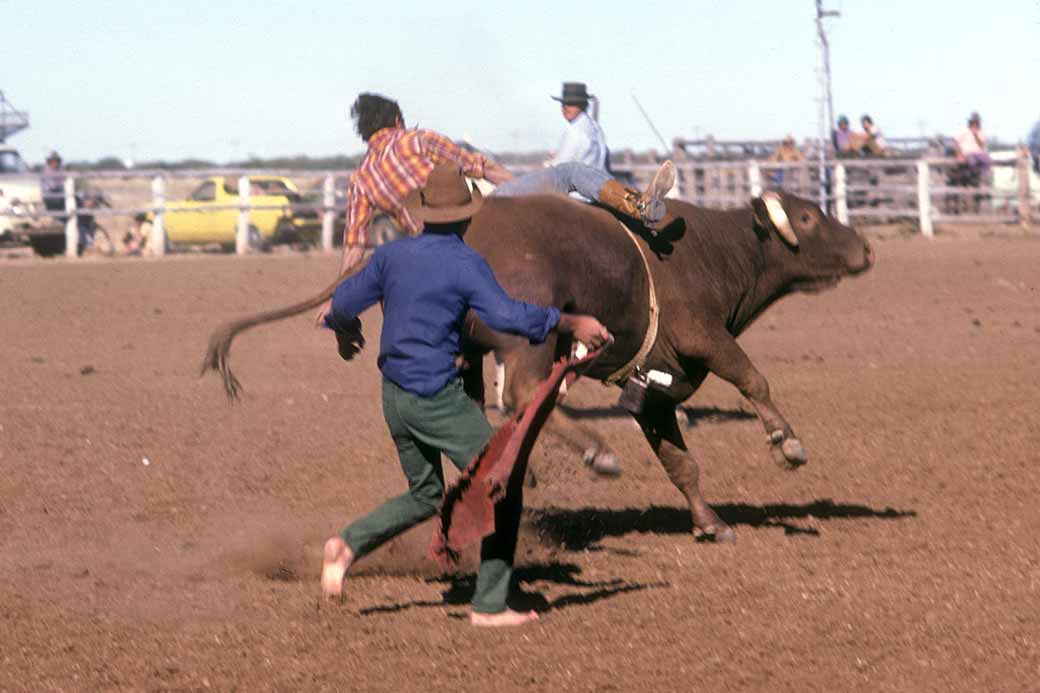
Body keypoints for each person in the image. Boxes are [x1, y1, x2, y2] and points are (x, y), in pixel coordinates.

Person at [319, 163, 612, 627]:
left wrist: (344, 331)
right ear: (466, 217)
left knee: (426, 493)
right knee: (503, 484)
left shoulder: (390, 257)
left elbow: (340, 305)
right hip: (434, 394)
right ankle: (490, 604)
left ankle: (348, 544)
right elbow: (510, 315)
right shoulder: (465, 262)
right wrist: (571, 323)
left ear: (422, 215)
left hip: (393, 395)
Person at [316, 92, 674, 324]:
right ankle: (639, 206)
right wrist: (518, 189)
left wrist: (335, 298)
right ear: (397, 120)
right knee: (569, 174)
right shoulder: (417, 140)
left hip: (432, 248)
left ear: (366, 133)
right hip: (479, 215)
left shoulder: (360, 179)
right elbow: (478, 166)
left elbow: (352, 253)